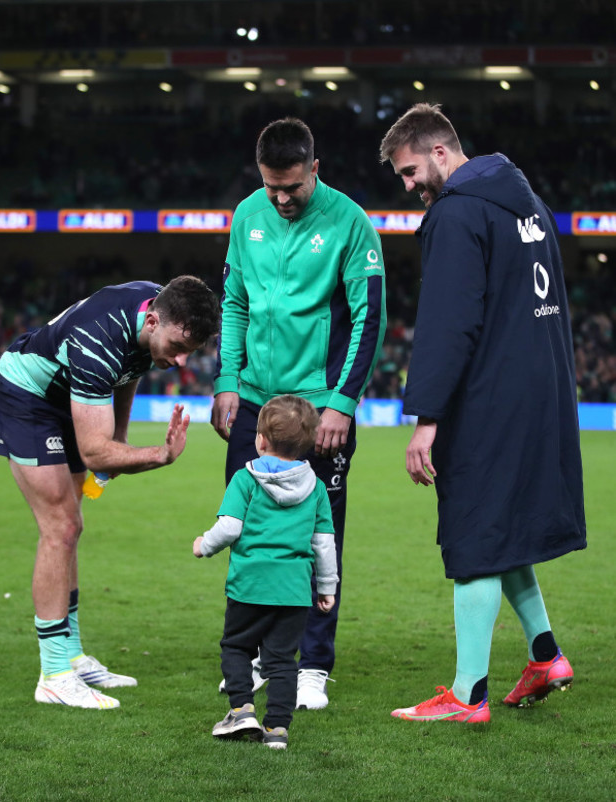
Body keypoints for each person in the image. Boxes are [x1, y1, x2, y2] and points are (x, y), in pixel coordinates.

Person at [379, 102, 587, 723]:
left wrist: (426, 419)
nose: (410, 186)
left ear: (441, 152)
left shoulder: (459, 212)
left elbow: (448, 322)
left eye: (412, 171)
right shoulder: (523, 198)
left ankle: (468, 693)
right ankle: (545, 654)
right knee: (502, 526)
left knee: (473, 528)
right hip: (542, 387)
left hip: (490, 396)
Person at [211, 117, 386, 710]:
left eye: (292, 187)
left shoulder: (351, 221)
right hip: (254, 401)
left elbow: (369, 317)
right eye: (271, 187)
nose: (281, 199)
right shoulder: (245, 215)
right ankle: (259, 654)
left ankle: (311, 663)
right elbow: (234, 302)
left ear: (316, 168)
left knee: (317, 536)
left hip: (318, 409)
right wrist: (227, 381)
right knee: (252, 528)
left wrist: (342, 401)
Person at [0, 275, 220, 709]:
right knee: (60, 526)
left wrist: (122, 440)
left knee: (71, 527)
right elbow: (96, 453)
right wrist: (157, 455)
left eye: (192, 350)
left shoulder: (154, 312)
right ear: (152, 320)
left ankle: (72, 657)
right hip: (25, 398)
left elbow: (129, 371)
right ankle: (54, 673)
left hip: (65, 396)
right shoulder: (99, 338)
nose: (183, 360)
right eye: (177, 346)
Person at [194, 395, 338, 750]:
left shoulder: (246, 479)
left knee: (236, 647)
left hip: (249, 584)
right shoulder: (317, 489)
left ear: (260, 439)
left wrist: (203, 545)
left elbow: (228, 527)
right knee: (282, 661)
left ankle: (242, 709)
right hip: (292, 589)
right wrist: (326, 586)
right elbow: (323, 543)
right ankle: (277, 730)